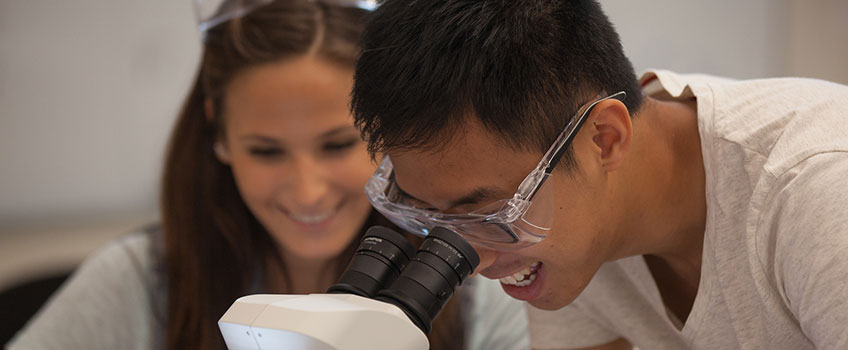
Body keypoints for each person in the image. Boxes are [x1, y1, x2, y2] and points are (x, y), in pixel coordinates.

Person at [6, 1, 529, 349]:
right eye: (266, 151)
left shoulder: (477, 295)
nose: (307, 190)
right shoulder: (138, 283)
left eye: (337, 144)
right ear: (220, 135)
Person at [347, 0, 848, 349]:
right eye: (432, 218)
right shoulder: (571, 228)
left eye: (490, 213)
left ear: (605, 139)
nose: (475, 262)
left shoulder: (818, 191)